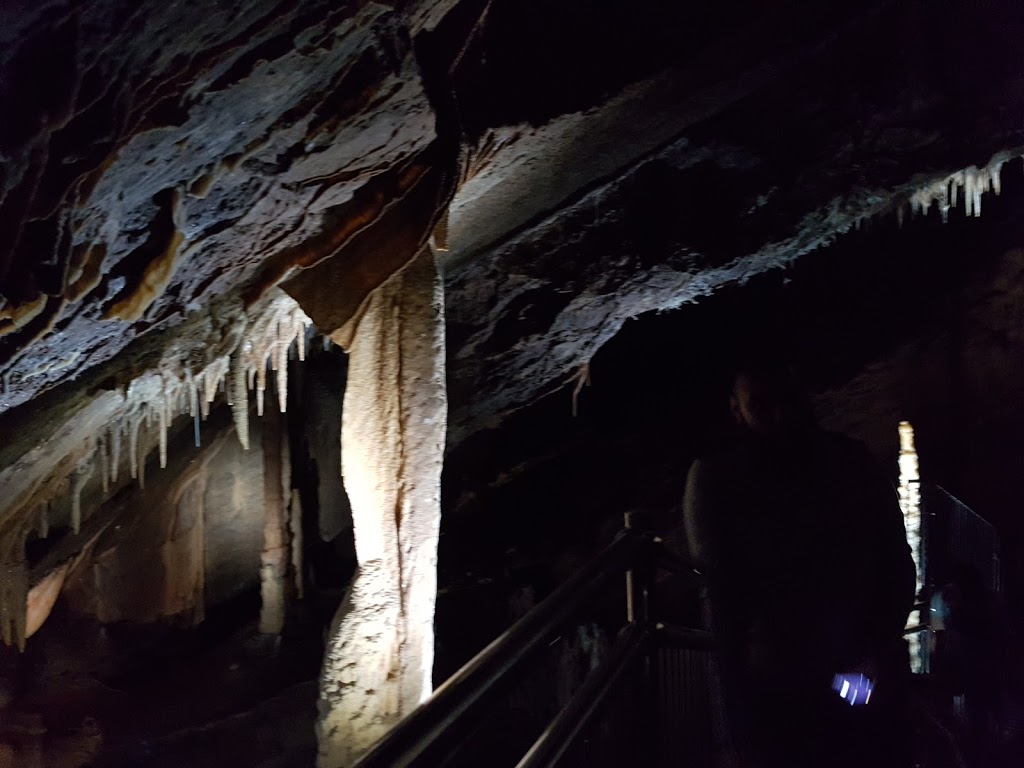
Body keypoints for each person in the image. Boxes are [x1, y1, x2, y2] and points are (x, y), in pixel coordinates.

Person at [683, 363, 917, 768]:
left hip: (845, 669)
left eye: (786, 401)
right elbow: (721, 601)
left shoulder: (852, 464)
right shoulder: (717, 480)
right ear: (737, 412)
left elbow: (895, 563)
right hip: (781, 686)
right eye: (762, 405)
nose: (779, 416)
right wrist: (733, 726)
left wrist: (875, 647)